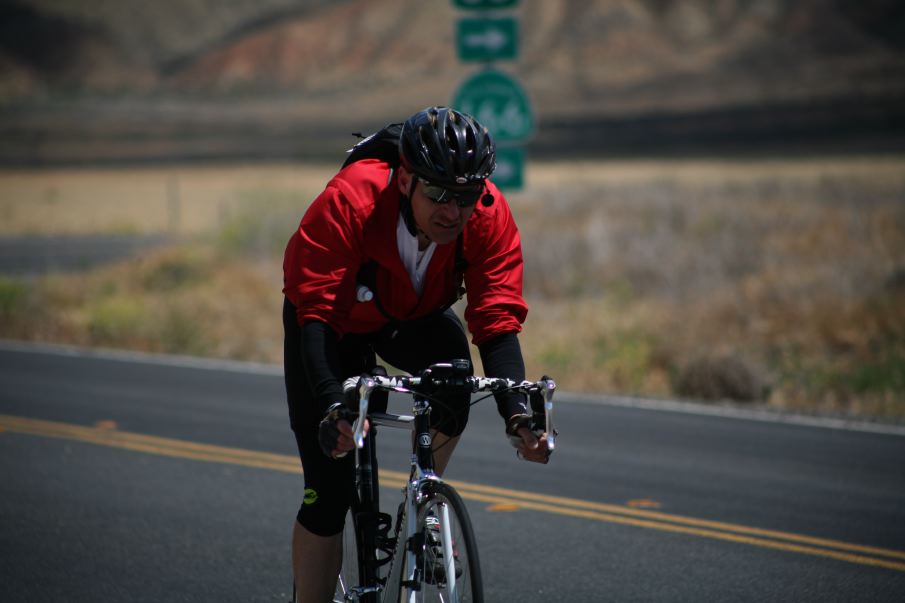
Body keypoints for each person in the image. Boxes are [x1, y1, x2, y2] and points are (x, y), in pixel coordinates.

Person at [282, 106, 550, 602]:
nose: (453, 211)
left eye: (465, 197)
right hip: (331, 324)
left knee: (455, 379)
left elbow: (496, 316)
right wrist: (329, 403)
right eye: (439, 194)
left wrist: (517, 410)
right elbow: (315, 313)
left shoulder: (487, 214)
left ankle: (423, 501)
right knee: (329, 494)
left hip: (411, 317)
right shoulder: (352, 199)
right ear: (405, 180)